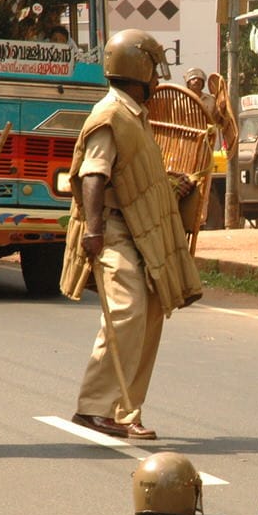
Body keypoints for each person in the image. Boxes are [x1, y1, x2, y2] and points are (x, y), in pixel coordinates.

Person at [59, 29, 203, 439]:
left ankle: (125, 412)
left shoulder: (133, 115)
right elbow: (93, 175)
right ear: (139, 70)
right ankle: (93, 407)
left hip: (144, 234)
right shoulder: (109, 116)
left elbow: (131, 172)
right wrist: (94, 232)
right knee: (126, 313)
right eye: (154, 72)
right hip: (115, 231)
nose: (157, 82)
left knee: (151, 314)